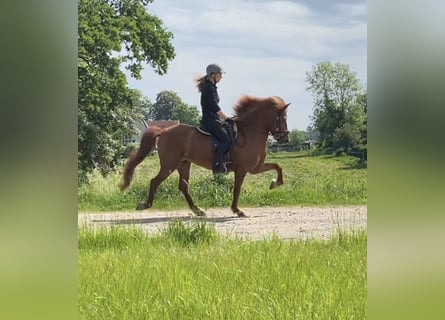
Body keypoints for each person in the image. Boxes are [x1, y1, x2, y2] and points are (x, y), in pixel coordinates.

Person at [195, 64, 231, 174]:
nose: (221, 76)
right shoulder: (208, 88)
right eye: (220, 74)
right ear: (213, 75)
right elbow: (214, 107)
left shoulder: (212, 87)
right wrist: (226, 118)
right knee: (226, 140)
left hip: (214, 119)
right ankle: (217, 164)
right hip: (210, 120)